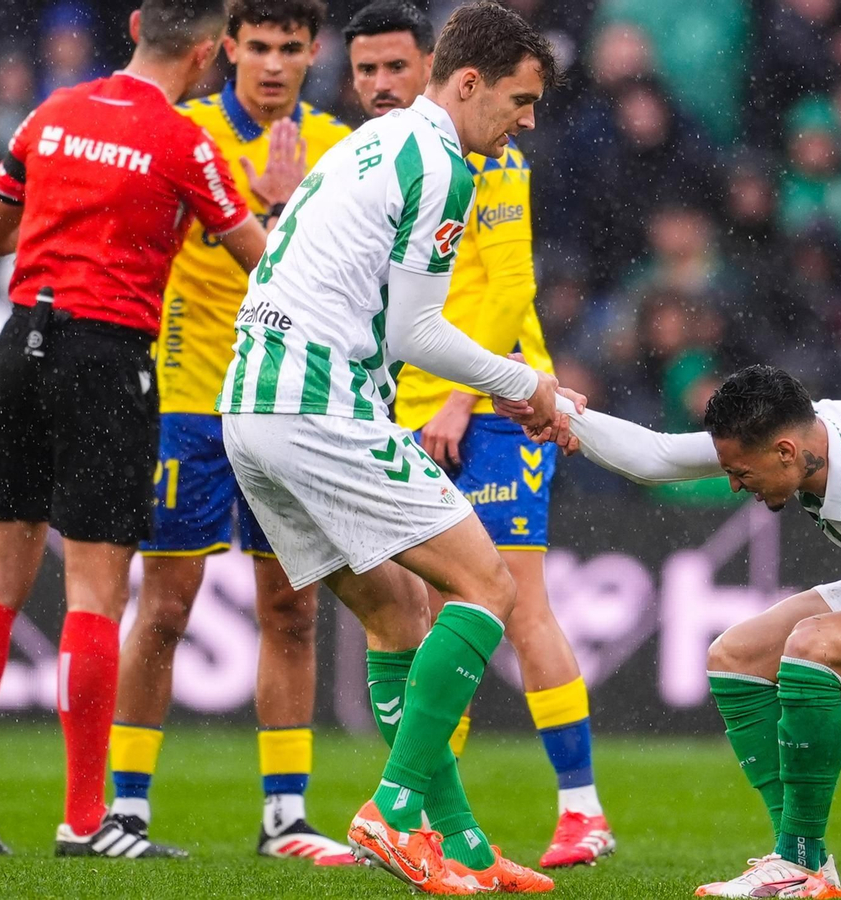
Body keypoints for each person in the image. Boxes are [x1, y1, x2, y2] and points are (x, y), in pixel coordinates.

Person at [219, 2, 563, 892]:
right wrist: (526, 383)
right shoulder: (443, 167)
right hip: (318, 404)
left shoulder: (366, 144)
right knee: (486, 585)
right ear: (470, 82)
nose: (527, 122)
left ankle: (465, 848)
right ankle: (394, 808)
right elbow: (416, 333)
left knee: (393, 614)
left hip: (249, 408)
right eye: (520, 101)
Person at [0, 0, 281, 859]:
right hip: (109, 355)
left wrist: (65, 217)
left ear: (132, 26)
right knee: (95, 590)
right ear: (207, 55)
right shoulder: (184, 142)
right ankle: (87, 821)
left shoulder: (51, 114)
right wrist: (270, 204)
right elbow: (261, 262)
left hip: (21, 344)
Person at [500, 365, 841, 899]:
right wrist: (563, 413)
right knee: (735, 656)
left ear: (785, 452)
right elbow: (658, 455)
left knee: (812, 646)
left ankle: (796, 863)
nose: (736, 485)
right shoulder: (804, 429)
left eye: (742, 473)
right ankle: (805, 863)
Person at [348, 0, 617, 868]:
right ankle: (424, 814)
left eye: (398, 67)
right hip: (403, 411)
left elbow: (506, 287)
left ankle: (582, 811)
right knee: (424, 617)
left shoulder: (493, 156)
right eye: (367, 71)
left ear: (437, 69)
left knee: (513, 599)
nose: (382, 84)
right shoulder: (380, 160)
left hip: (493, 407)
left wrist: (463, 401)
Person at [107, 0, 355, 865]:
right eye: (260, 47)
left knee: (290, 610)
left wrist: (292, 210)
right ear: (229, 49)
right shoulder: (184, 132)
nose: (276, 65)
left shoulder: (336, 147)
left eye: (292, 48)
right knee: (165, 608)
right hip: (189, 398)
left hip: (288, 407)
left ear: (315, 52)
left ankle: (285, 817)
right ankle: (126, 810)